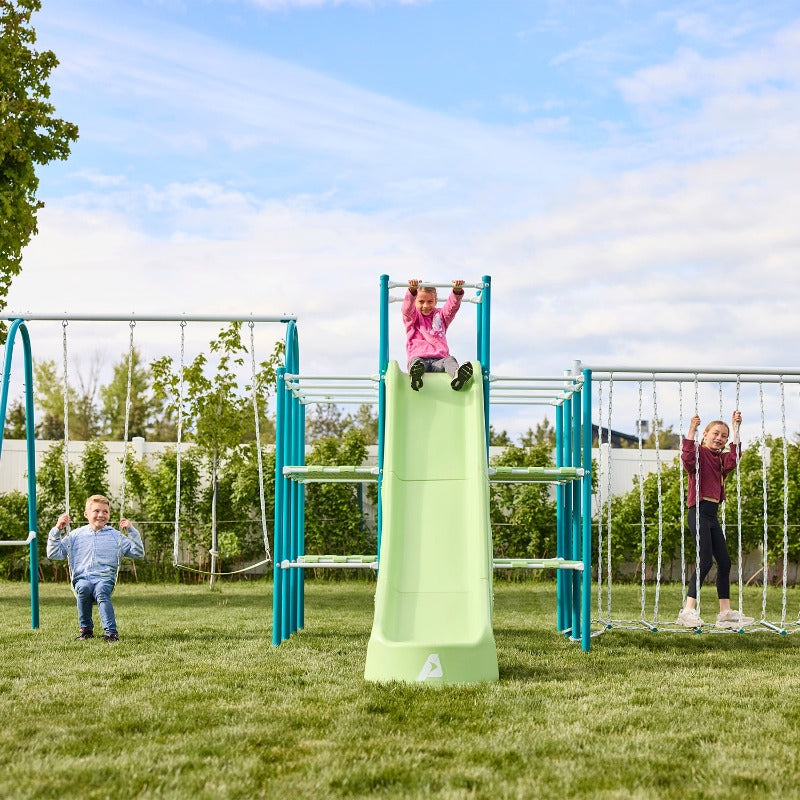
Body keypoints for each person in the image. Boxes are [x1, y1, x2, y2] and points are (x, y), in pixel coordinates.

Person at [676, 411, 754, 630]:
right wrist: (692, 428)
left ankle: (725, 613)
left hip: (711, 515)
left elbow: (735, 457)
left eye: (724, 435)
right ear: (705, 436)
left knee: (725, 562)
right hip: (698, 512)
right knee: (705, 561)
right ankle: (688, 610)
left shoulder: (721, 461)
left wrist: (736, 427)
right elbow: (687, 456)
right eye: (715, 433)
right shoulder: (698, 454)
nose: (719, 438)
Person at [47, 494, 145, 642]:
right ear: (86, 514)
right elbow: (54, 554)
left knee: (101, 591)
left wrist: (131, 531)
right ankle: (86, 630)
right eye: (96, 511)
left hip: (105, 579)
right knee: (84, 588)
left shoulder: (115, 536)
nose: (101, 515)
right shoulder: (75, 535)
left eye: (105, 511)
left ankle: (111, 633)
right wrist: (57, 530)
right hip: (82, 578)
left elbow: (138, 552)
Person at [402, 279, 473, 391]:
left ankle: (457, 376)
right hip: (419, 359)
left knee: (450, 360)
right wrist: (412, 291)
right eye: (421, 301)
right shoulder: (412, 318)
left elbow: (451, 308)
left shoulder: (440, 316)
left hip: (439, 360)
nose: (426, 305)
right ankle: (416, 377)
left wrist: (456, 291)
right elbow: (407, 310)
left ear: (436, 301)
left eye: (430, 301)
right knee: (416, 363)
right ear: (415, 301)